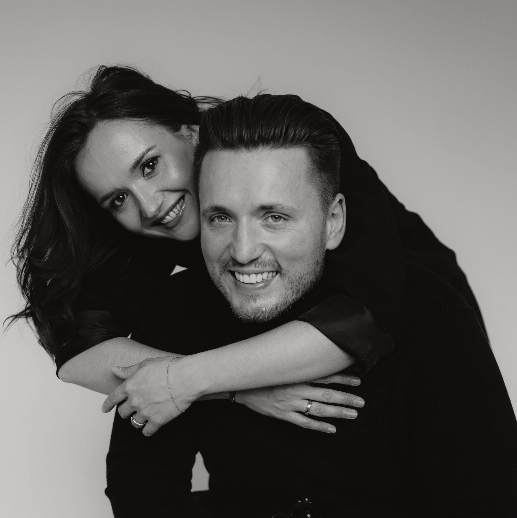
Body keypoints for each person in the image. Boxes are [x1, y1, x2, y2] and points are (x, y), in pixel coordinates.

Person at [104, 94, 517, 518]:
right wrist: (227, 390)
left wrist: (192, 379)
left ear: (333, 221)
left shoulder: (430, 316)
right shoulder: (176, 309)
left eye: (274, 218)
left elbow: (485, 501)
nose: (243, 251)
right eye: (220, 218)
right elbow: (140, 477)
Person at [10, 65, 479, 434]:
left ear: (190, 132)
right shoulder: (144, 226)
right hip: (298, 356)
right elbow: (80, 350)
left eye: (150, 166)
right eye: (117, 199)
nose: (149, 206)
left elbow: (359, 322)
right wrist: (238, 391)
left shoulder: (286, 141)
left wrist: (186, 380)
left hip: (424, 319)